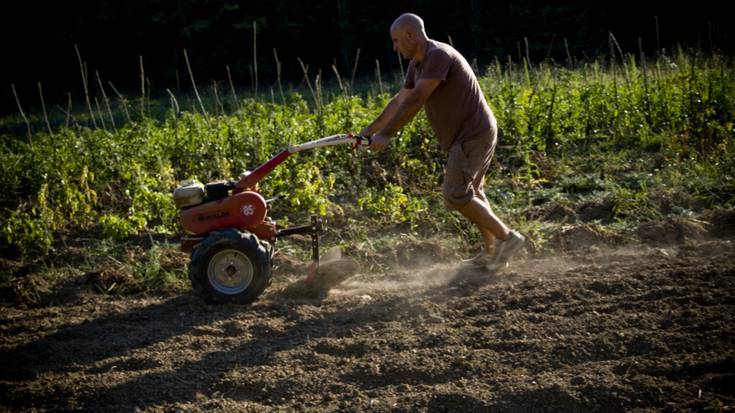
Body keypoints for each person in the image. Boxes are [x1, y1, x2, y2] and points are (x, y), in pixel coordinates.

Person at [359, 13, 525, 271]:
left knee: (455, 194)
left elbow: (417, 100)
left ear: (411, 35)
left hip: (472, 133)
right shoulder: (416, 65)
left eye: (396, 40)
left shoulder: (437, 56)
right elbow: (400, 100)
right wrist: (370, 130)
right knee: (472, 194)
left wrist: (388, 134)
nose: (394, 47)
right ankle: (494, 252)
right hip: (471, 133)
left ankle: (507, 238)